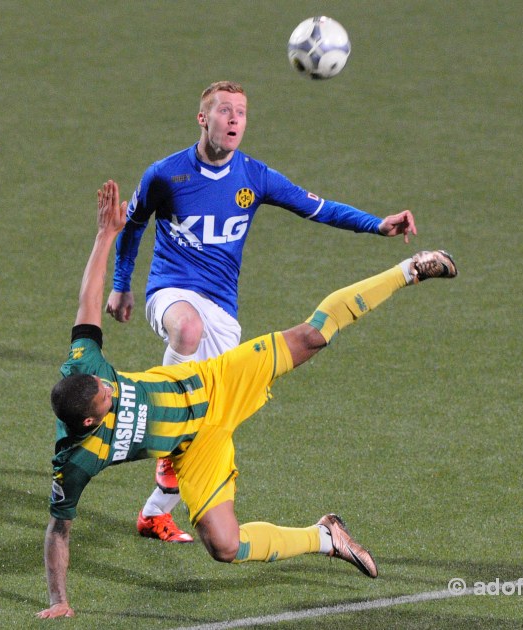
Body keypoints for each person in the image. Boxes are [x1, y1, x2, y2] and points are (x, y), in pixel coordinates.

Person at [36, 180, 456, 619]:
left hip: (215, 381)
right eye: (107, 398)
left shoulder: (84, 365)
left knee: (311, 337)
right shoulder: (74, 462)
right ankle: (325, 537)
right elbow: (59, 530)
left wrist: (105, 235)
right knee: (224, 546)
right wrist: (59, 601)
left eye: (106, 385)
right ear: (88, 423)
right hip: (195, 448)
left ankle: (410, 270)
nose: (111, 387)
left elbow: (87, 298)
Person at [105, 81, 420, 543]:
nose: (234, 119)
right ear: (202, 119)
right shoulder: (165, 174)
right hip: (170, 292)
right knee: (186, 332)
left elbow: (319, 209)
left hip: (223, 311)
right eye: (225, 111)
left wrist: (378, 225)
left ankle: (155, 512)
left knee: (214, 417)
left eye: (242, 113)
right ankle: (163, 426)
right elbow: (131, 226)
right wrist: (120, 286)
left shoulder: (255, 177)